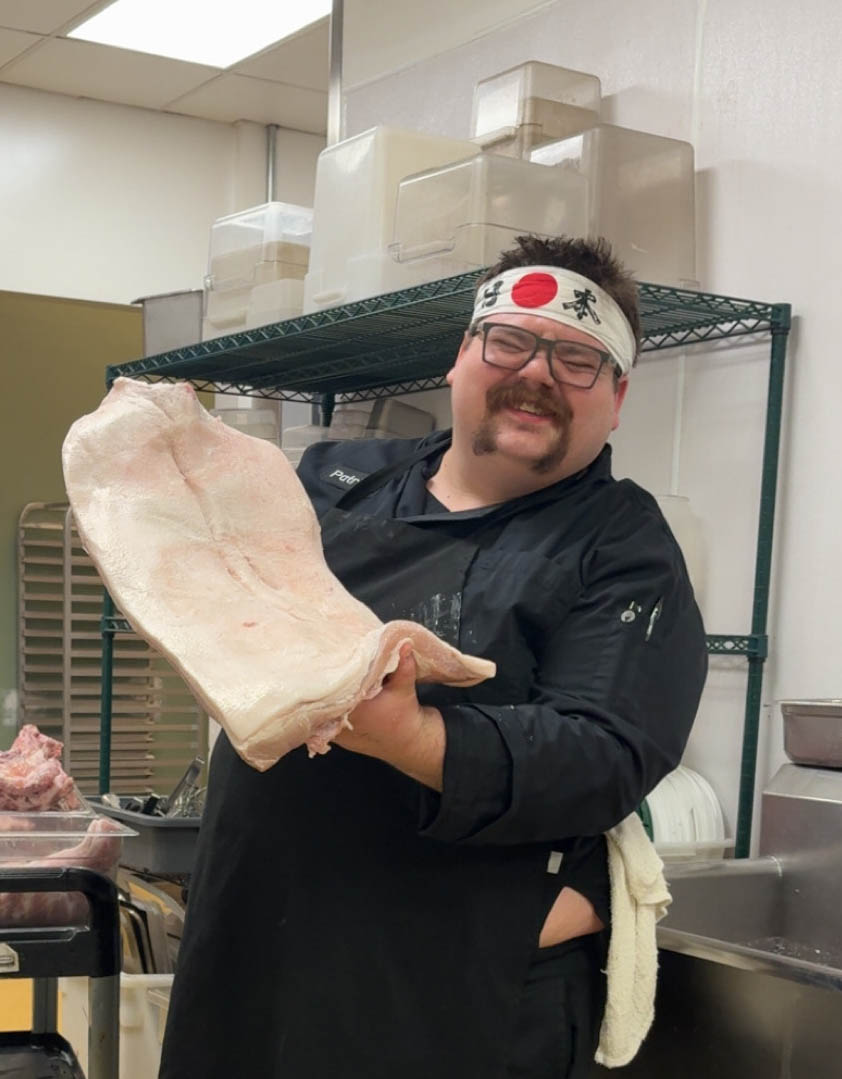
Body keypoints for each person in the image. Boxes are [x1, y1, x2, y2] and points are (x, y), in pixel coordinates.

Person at [159, 234, 707, 1079]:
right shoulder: (333, 480)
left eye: (578, 360)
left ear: (618, 396)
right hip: (255, 942)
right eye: (510, 341)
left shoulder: (626, 550)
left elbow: (604, 750)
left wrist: (411, 736)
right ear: (461, 355)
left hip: (449, 994)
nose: (537, 373)